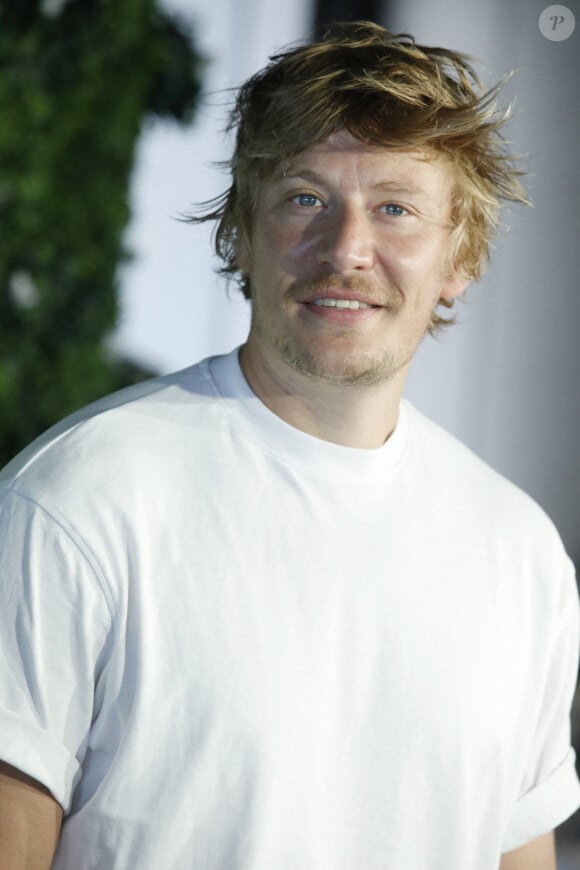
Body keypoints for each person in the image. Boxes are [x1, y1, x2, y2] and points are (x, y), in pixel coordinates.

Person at [0, 20, 578, 870]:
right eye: (306, 198)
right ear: (241, 230)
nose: (347, 249)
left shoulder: (519, 552)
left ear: (463, 254)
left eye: (395, 208)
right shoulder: (77, 502)